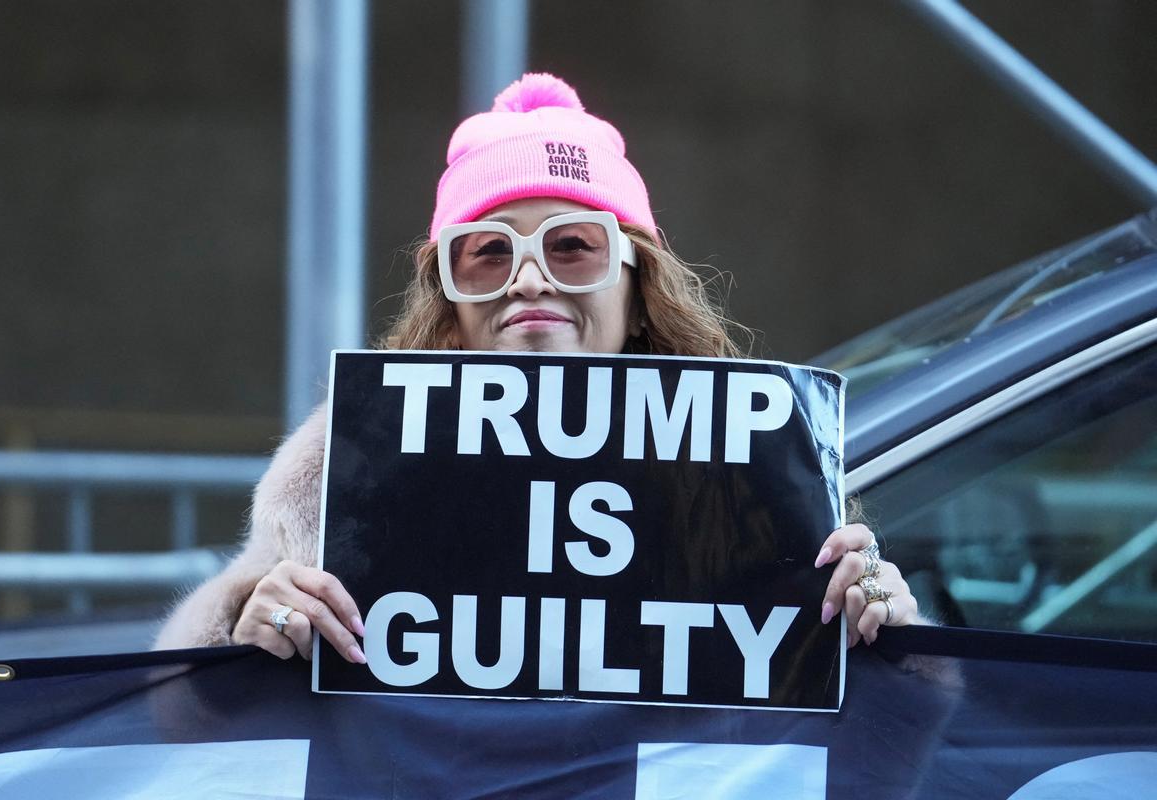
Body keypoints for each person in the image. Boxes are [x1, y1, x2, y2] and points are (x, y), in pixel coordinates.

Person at [154, 72, 919, 663]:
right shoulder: (335, 473)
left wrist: (884, 637)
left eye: (572, 246)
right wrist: (245, 623)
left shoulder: (757, 468)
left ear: (638, 285)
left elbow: (887, 760)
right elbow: (187, 731)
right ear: (447, 303)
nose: (529, 279)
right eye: (488, 253)